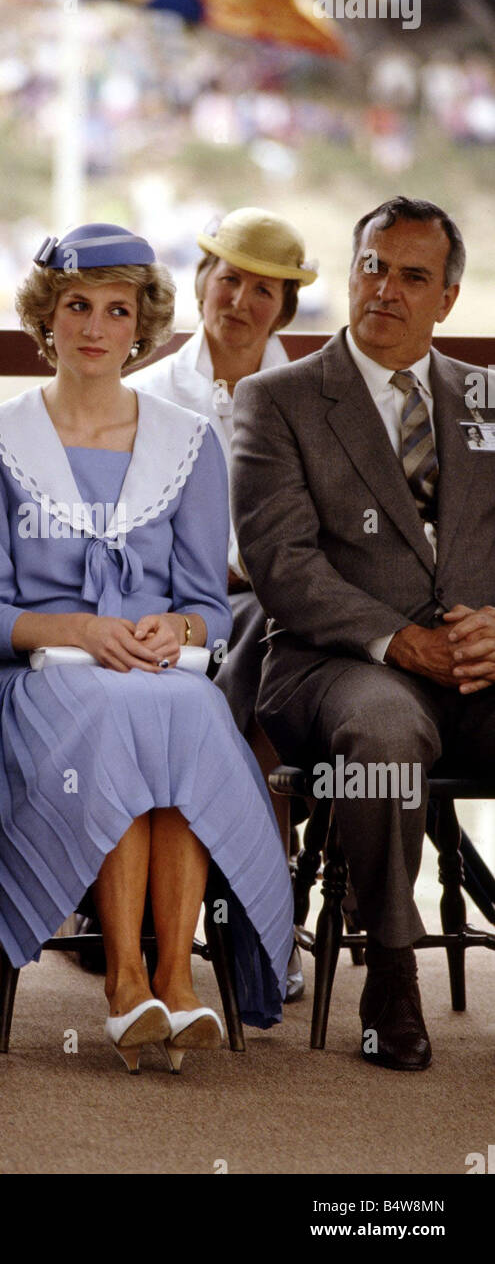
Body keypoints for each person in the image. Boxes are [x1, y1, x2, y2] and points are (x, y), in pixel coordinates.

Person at [0, 224, 293, 1073]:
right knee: (125, 710)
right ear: (46, 317)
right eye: (76, 307)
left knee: (182, 703)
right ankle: (123, 979)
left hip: (153, 677)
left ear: (141, 324)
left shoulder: (189, 441)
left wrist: (168, 628)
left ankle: (176, 982)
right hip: (34, 687)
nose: (95, 327)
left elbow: (209, 610)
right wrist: (81, 631)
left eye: (116, 310)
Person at [231, 195, 495, 1072]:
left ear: (446, 299)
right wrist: (395, 639)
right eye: (371, 267)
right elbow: (282, 566)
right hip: (334, 665)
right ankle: (389, 969)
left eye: (411, 275)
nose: (385, 288)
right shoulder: (277, 401)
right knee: (384, 731)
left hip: (476, 667)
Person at [129, 208, 317, 1001]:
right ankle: (257, 905)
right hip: (170, 610)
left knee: (276, 650)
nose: (238, 301)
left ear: (284, 309)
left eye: (262, 291)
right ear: (201, 281)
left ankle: (247, 907)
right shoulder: (143, 394)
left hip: (277, 612)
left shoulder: (309, 398)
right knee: (255, 662)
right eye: (227, 279)